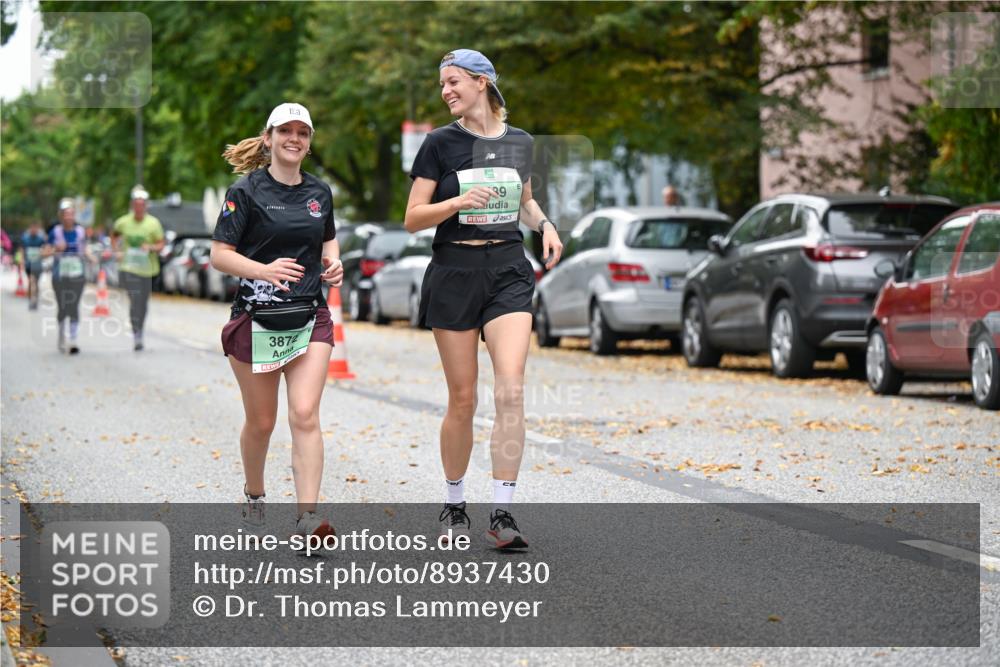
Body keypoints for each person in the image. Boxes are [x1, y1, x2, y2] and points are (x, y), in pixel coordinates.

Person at [404, 49, 563, 550]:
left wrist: (546, 225)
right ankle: (455, 504)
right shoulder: (439, 143)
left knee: (511, 390)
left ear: (482, 83)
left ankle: (503, 512)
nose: (446, 91)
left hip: (508, 270)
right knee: (464, 397)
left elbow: (524, 200)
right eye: (442, 85)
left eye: (453, 82)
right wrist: (454, 203)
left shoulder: (520, 142)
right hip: (454, 270)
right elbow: (412, 217)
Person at [210, 102, 343, 541]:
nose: (294, 138)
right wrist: (262, 270)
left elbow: (329, 243)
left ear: (309, 142)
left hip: (309, 315)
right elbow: (219, 256)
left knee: (304, 413)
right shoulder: (245, 191)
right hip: (256, 319)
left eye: (302, 132)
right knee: (262, 421)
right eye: (285, 130)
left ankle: (308, 518)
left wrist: (334, 266)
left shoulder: (319, 193)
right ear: (267, 138)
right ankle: (254, 494)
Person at [113, 186, 165, 351]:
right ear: (132, 205)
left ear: (146, 206)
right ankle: (136, 333)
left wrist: (150, 247)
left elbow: (161, 244)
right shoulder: (123, 222)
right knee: (135, 300)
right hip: (129, 268)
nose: (139, 207)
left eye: (142, 204)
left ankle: (139, 330)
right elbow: (113, 235)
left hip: (148, 269)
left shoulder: (153, 223)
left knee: (142, 303)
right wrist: (117, 251)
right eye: (136, 204)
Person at [49, 198, 92, 354]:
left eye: (71, 214)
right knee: (62, 306)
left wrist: (91, 257)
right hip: (59, 274)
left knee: (74, 305)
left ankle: (73, 339)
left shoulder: (80, 231)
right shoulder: (55, 231)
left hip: (77, 273)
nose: (69, 217)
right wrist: (56, 248)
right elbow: (45, 251)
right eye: (66, 214)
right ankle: (61, 335)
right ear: (61, 215)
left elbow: (85, 248)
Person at [20, 221, 48, 310]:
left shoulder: (41, 239)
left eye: (36, 228)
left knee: (35, 282)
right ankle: (32, 299)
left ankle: (34, 298)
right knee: (31, 282)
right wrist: (22, 261)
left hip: (37, 264)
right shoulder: (25, 238)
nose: (34, 230)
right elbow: (22, 250)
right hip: (28, 264)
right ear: (30, 228)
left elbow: (46, 248)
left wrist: (43, 253)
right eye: (32, 228)